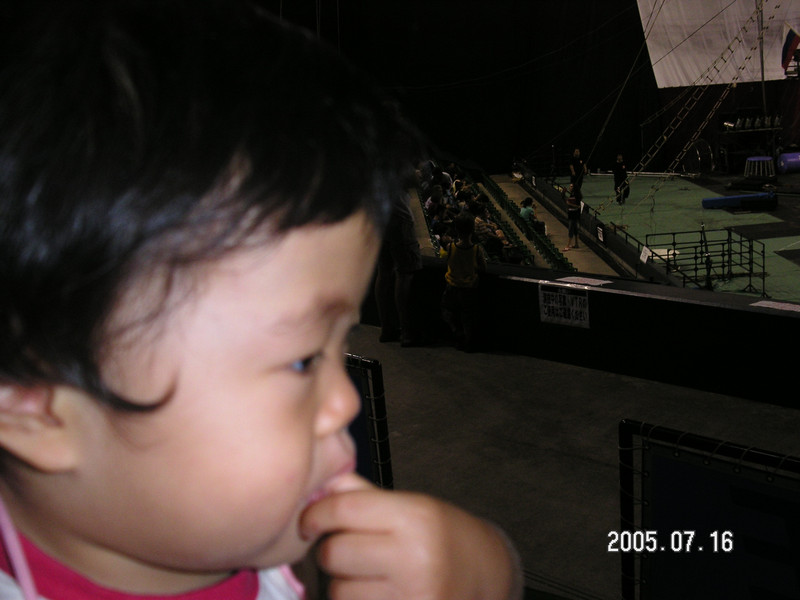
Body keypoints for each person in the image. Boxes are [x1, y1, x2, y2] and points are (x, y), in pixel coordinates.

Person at [0, 3, 523, 600]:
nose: (346, 401)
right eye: (301, 359)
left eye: (340, 347)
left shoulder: (265, 543)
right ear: (37, 408)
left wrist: (483, 571)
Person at [441, 213, 487, 351]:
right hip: (469, 288)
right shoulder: (477, 250)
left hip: (452, 287)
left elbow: (447, 261)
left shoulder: (450, 247)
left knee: (448, 312)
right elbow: (483, 268)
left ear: (456, 229)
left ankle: (457, 333)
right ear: (472, 230)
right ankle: (468, 341)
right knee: (467, 316)